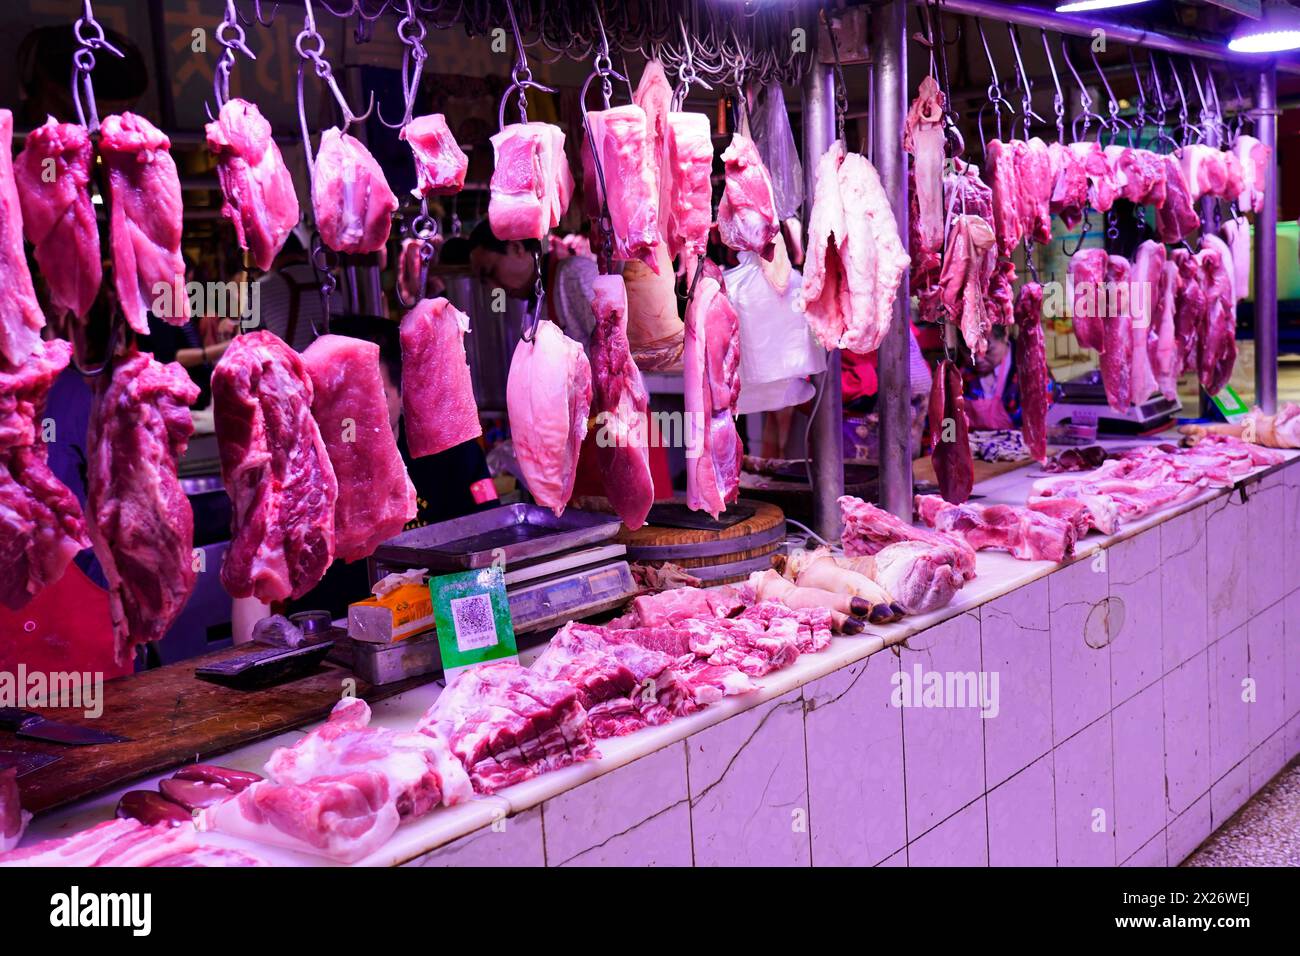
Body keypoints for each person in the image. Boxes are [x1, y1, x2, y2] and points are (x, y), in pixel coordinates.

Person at [285, 314, 497, 621]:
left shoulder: (452, 451)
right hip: (335, 636)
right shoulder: (306, 468)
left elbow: (488, 545)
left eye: (371, 397)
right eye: (337, 400)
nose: (352, 418)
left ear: (403, 391)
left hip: (439, 626)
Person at [465, 219, 600, 348]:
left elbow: (613, 350)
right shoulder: (536, 294)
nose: (493, 288)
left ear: (516, 248)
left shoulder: (576, 274)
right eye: (484, 282)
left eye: (491, 272)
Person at [961, 325, 1022, 431]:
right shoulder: (958, 372)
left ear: (1005, 335)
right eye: (969, 352)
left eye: (986, 351)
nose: (978, 360)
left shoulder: (1027, 368)